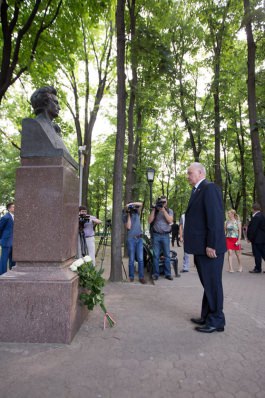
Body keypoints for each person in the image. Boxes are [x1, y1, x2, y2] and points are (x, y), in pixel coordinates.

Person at [184, 162, 226, 333]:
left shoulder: (209, 189)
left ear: (200, 172)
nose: (188, 176)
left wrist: (211, 244)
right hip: (201, 248)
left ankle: (217, 320)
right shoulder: (198, 190)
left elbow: (215, 219)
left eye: (190, 173)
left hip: (209, 248)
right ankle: (207, 315)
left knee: (213, 284)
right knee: (208, 283)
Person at [148, 196, 174, 281]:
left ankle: (168, 274)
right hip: (156, 235)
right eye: (161, 202)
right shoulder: (155, 211)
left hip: (165, 236)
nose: (163, 203)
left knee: (167, 255)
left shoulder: (169, 211)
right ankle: (156, 274)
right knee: (155, 256)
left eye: (164, 202)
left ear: (167, 202)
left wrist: (163, 210)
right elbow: (149, 221)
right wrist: (154, 210)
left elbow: (170, 221)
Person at [123, 202, 146, 284]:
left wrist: (131, 204)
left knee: (140, 259)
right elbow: (128, 227)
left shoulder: (137, 212)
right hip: (131, 239)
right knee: (131, 259)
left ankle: (141, 277)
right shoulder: (125, 216)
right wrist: (128, 213)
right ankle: (131, 277)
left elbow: (141, 204)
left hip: (139, 239)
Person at [247, 203, 265, 274]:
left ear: (253, 209)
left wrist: (249, 238)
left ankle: (257, 268)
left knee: (257, 254)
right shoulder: (262, 215)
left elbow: (253, 229)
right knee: (263, 253)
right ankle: (258, 267)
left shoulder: (256, 217)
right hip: (262, 239)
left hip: (257, 239)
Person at [0, 202, 16, 275]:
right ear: (9, 209)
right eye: (13, 207)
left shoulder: (15, 217)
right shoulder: (5, 217)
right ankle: (2, 274)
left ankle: (12, 273)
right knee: (4, 259)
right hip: (6, 242)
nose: (15, 208)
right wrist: (1, 239)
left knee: (13, 260)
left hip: (14, 243)